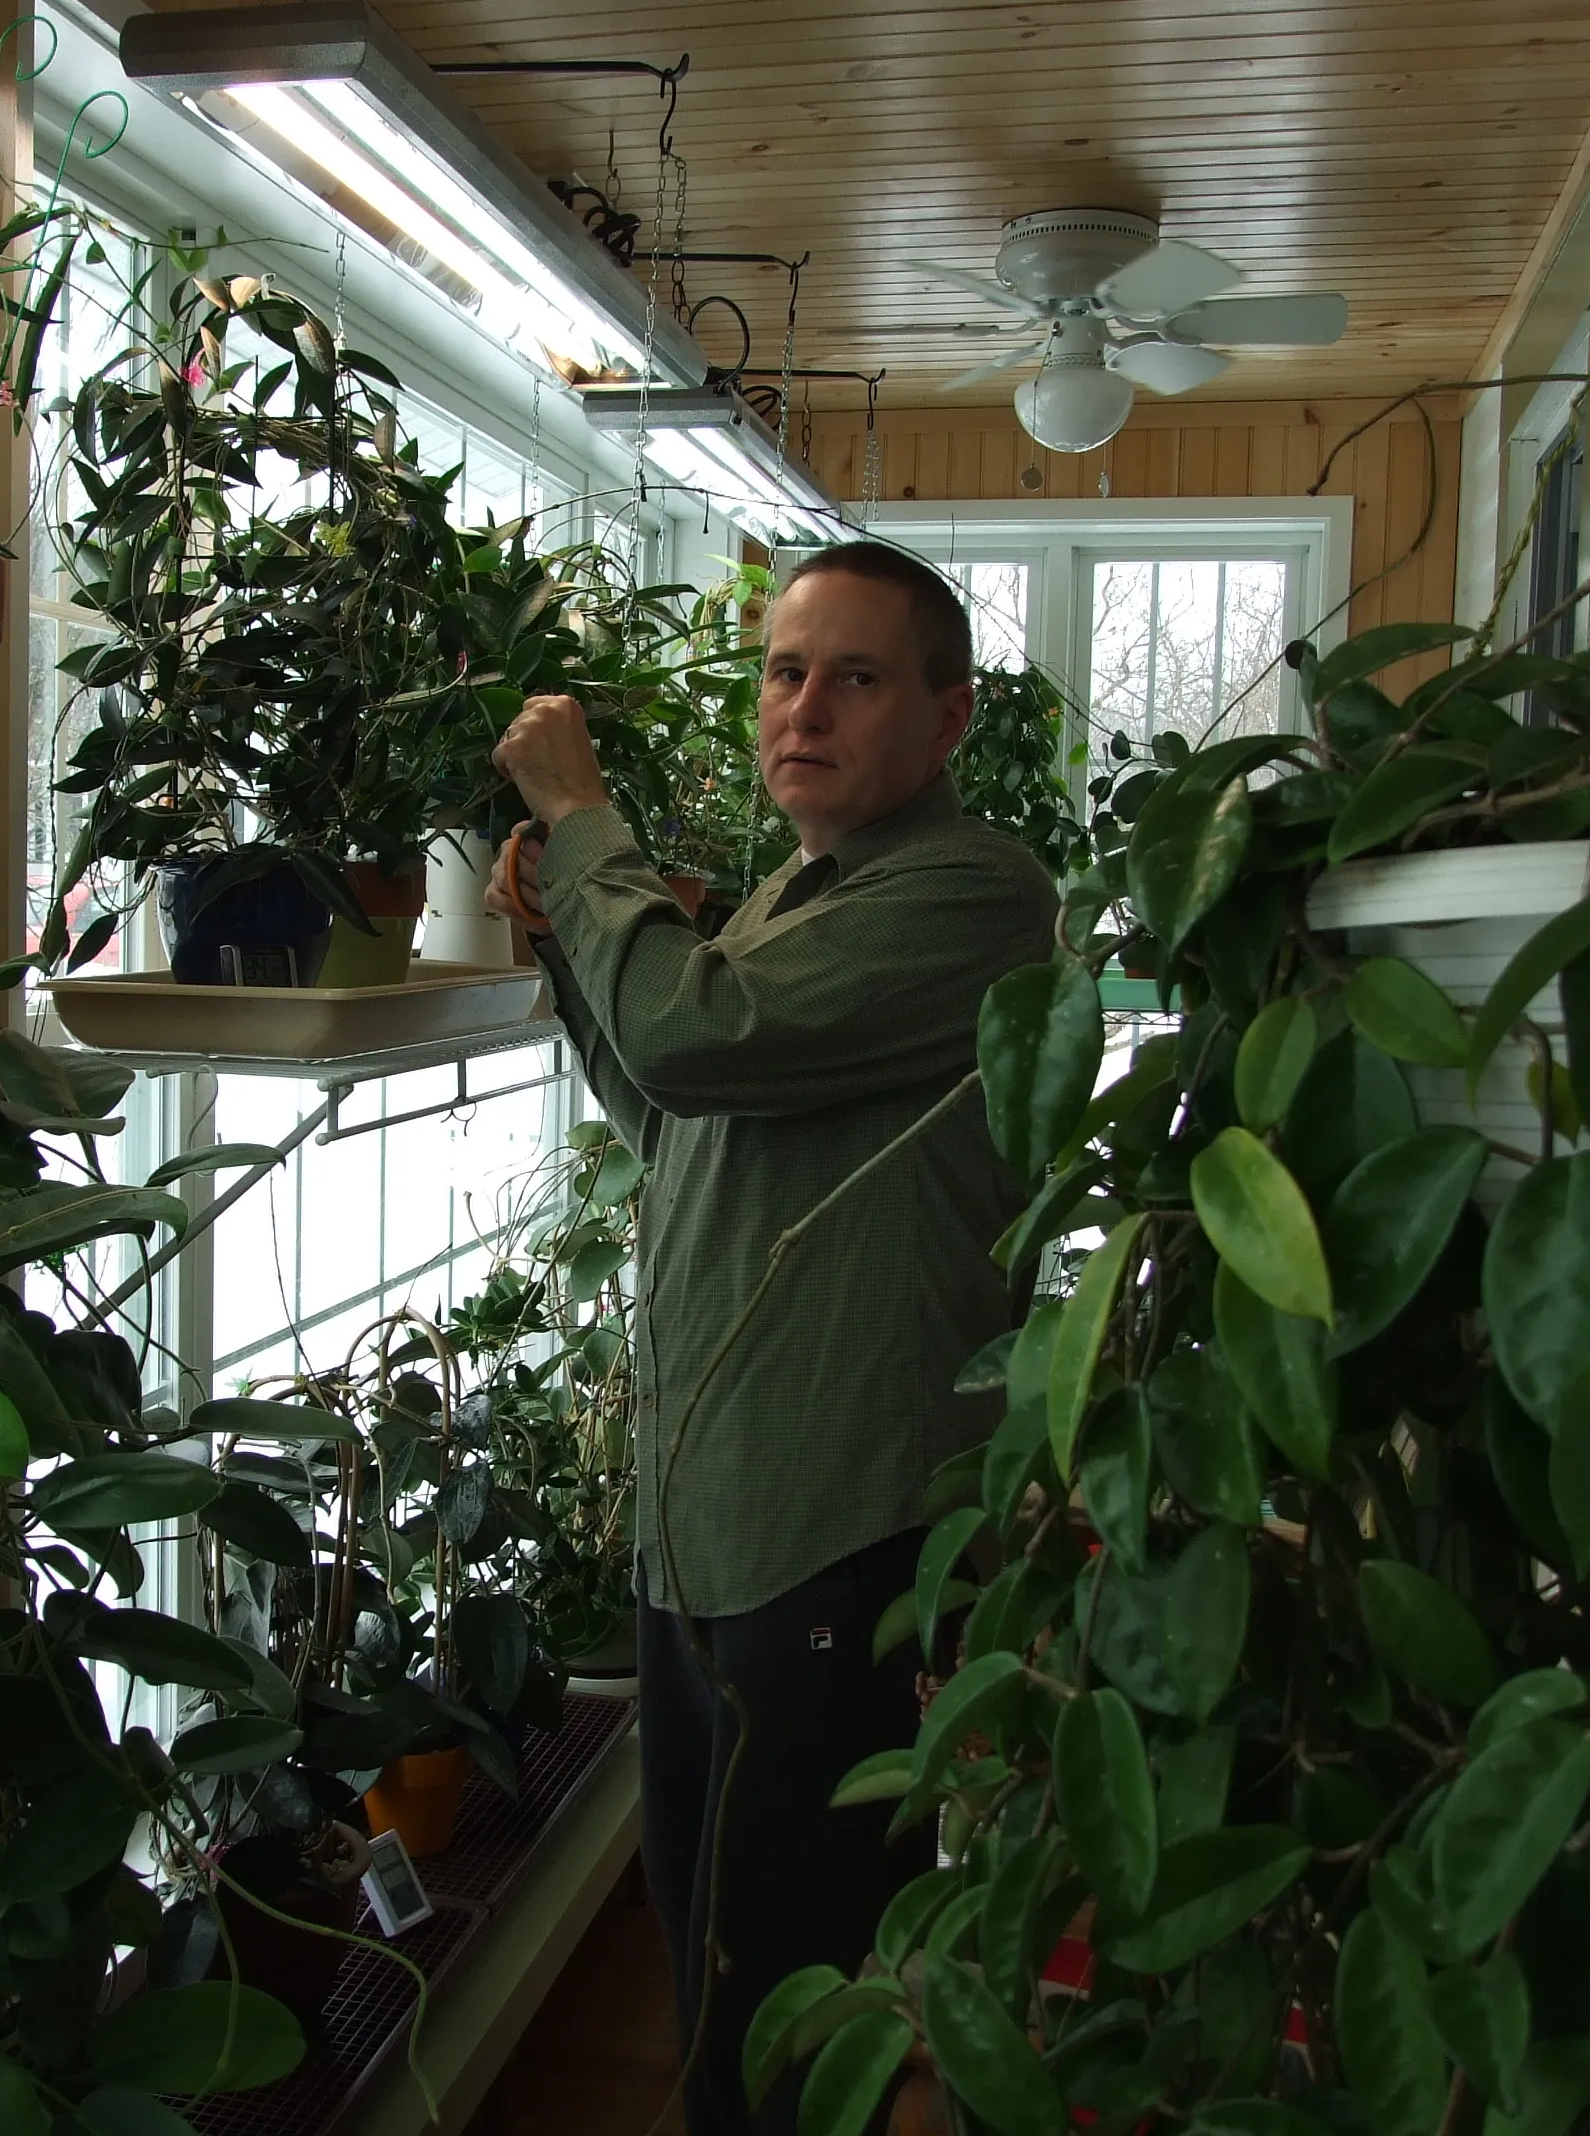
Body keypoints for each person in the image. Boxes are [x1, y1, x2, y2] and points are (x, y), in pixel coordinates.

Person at [487, 542, 1058, 2134]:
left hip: (824, 1534)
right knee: (721, 1972)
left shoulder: (974, 892)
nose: (803, 708)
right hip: (708, 1526)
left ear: (947, 719)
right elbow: (678, 1107)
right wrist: (568, 939)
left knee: (788, 1999)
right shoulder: (796, 894)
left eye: (855, 677)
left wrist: (582, 819)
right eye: (784, 672)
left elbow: (694, 1031)